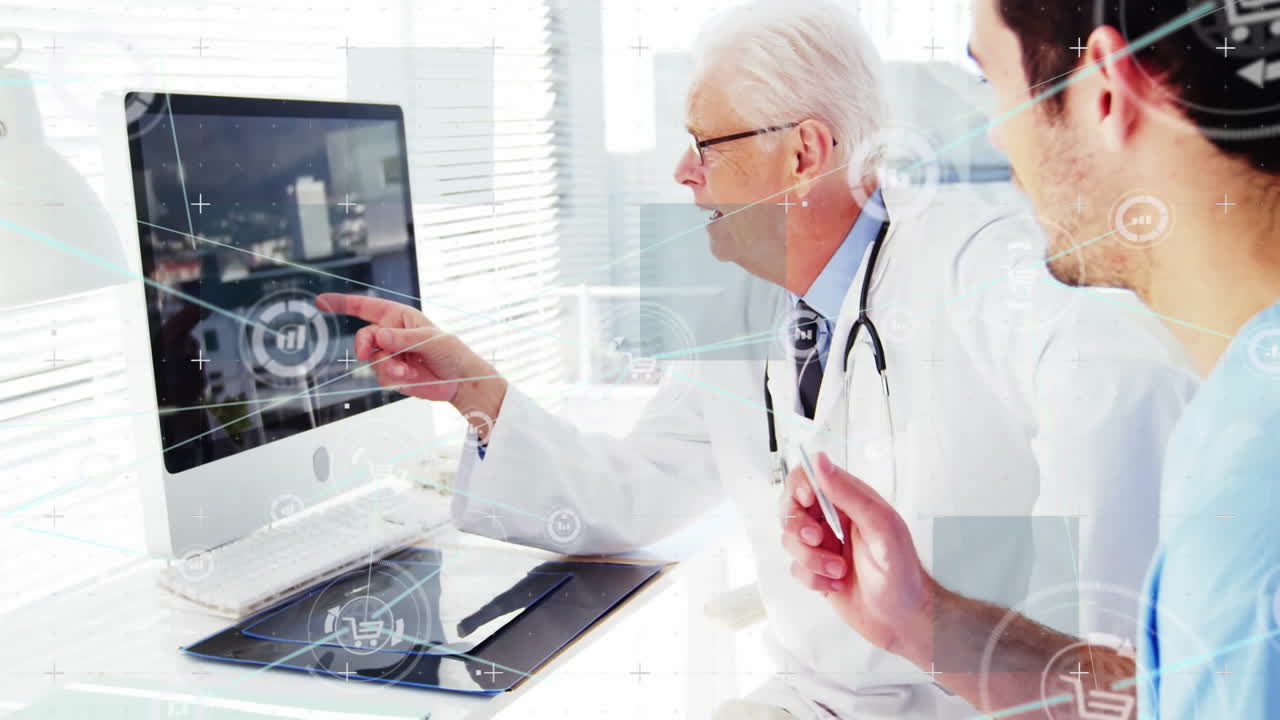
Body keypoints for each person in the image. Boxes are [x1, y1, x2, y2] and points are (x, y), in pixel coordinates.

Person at [317, 0, 1195, 716]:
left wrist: (1104, 674)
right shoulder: (744, 308)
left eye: (706, 145)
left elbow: (1126, 383)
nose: (682, 173)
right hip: (814, 703)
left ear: (802, 155)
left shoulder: (974, 260)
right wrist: (478, 390)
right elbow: (629, 490)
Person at [781, 0, 1280, 717]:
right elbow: (1164, 699)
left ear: (1104, 90)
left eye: (995, 84)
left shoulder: (1253, 520)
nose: (994, 132)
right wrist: (922, 620)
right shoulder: (1239, 421)